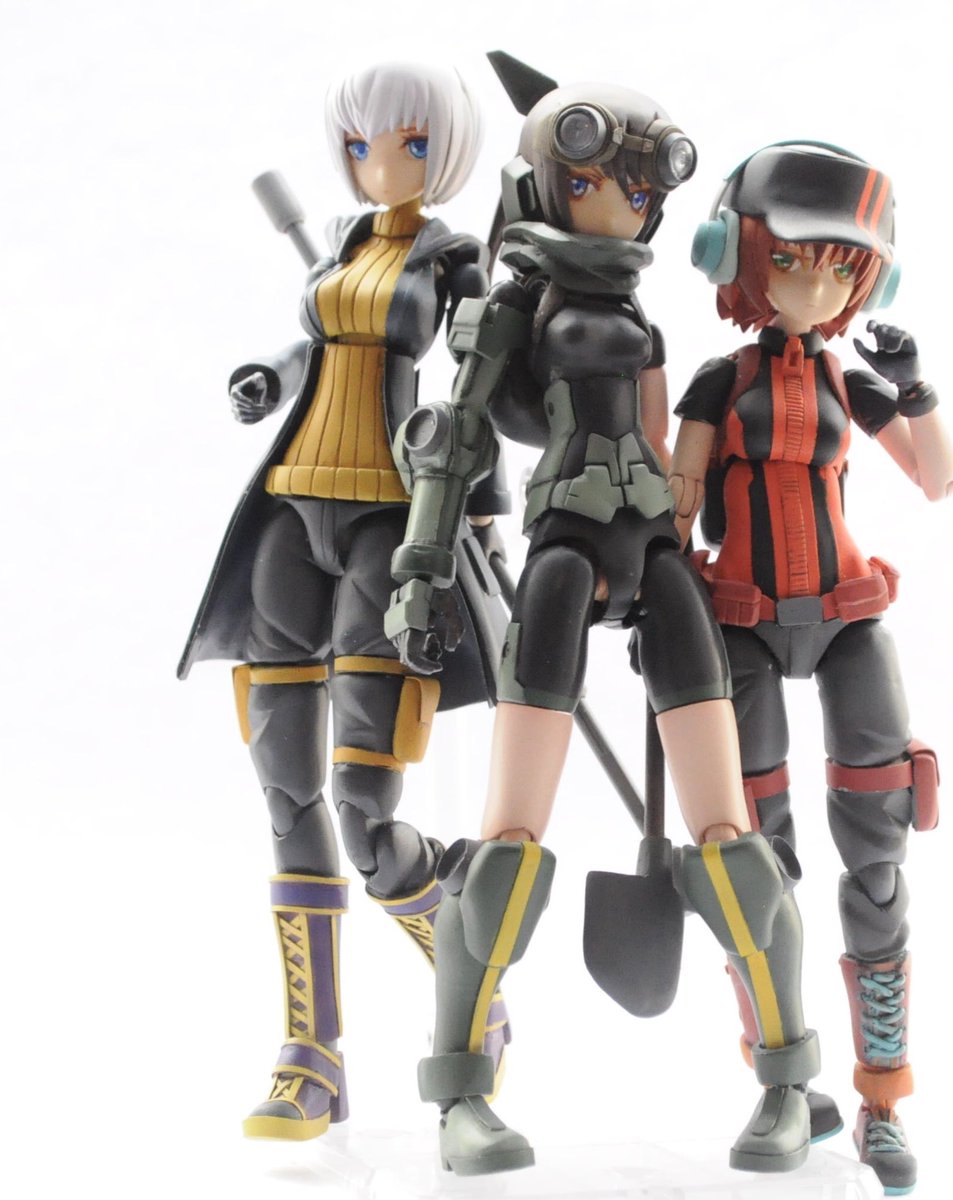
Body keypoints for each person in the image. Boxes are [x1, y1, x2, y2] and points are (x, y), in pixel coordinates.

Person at [386, 53, 823, 1177]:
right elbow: (454, 442)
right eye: (592, 181)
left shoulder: (636, 305)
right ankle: (461, 1096)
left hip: (658, 551)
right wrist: (421, 566)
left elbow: (675, 445)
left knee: (732, 842)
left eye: (639, 187)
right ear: (545, 180)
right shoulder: (508, 307)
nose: (618, 205)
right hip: (564, 549)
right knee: (506, 841)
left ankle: (787, 1081)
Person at [178, 61, 511, 1141]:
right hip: (291, 511)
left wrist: (488, 514)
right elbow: (316, 346)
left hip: (390, 523)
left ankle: (469, 978)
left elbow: (479, 388)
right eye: (363, 144)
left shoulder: (456, 261)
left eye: (408, 144)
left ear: (442, 151)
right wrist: (269, 376)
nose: (381, 163)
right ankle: (309, 1054)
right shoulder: (336, 244)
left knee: (367, 814)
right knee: (287, 792)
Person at [673, 141, 953, 1195]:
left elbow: (940, 479)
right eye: (791, 260)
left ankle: (883, 1097)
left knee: (878, 850)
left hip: (846, 618)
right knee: (758, 860)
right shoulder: (719, 381)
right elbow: (677, 497)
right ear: (737, 256)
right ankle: (781, 1074)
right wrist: (650, 588)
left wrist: (915, 388)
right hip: (741, 621)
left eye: (842, 267)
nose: (815, 285)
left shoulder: (851, 382)